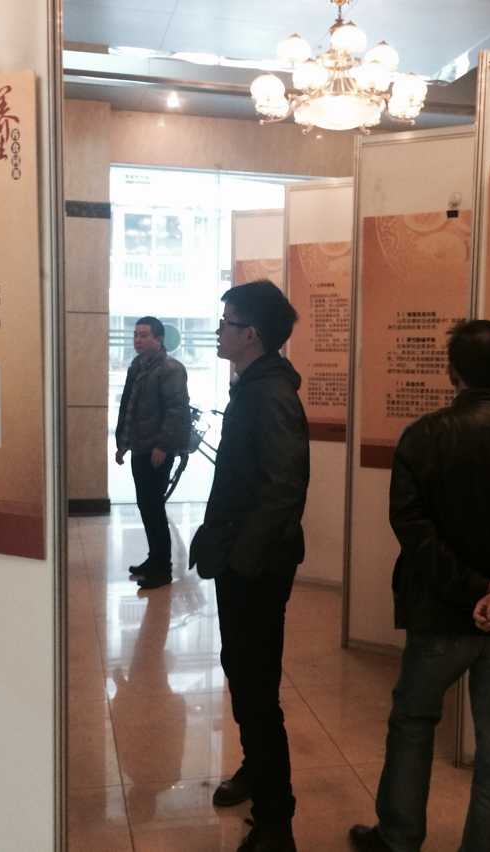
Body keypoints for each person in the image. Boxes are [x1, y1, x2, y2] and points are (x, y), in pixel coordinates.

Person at [349, 320, 490, 852]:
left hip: (440, 609)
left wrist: (471, 587)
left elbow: (412, 527)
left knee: (413, 722)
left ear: (451, 372)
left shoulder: (423, 436)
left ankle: (398, 837)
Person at [189, 280, 310, 852]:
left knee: (256, 684)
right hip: (245, 558)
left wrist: (241, 557)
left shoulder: (271, 396)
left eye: (227, 322)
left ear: (251, 334)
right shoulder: (253, 385)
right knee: (241, 669)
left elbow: (285, 488)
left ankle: (276, 819)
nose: (219, 331)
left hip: (257, 567)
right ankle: (256, 768)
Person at [114, 316, 190, 590]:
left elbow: (176, 410)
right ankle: (154, 559)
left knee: (154, 508)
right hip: (139, 447)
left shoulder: (171, 369)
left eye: (144, 335)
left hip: (157, 450)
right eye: (135, 334)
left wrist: (163, 446)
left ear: (159, 339)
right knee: (146, 506)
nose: (138, 339)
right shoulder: (137, 366)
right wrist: (122, 443)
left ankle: (162, 570)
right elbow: (128, 408)